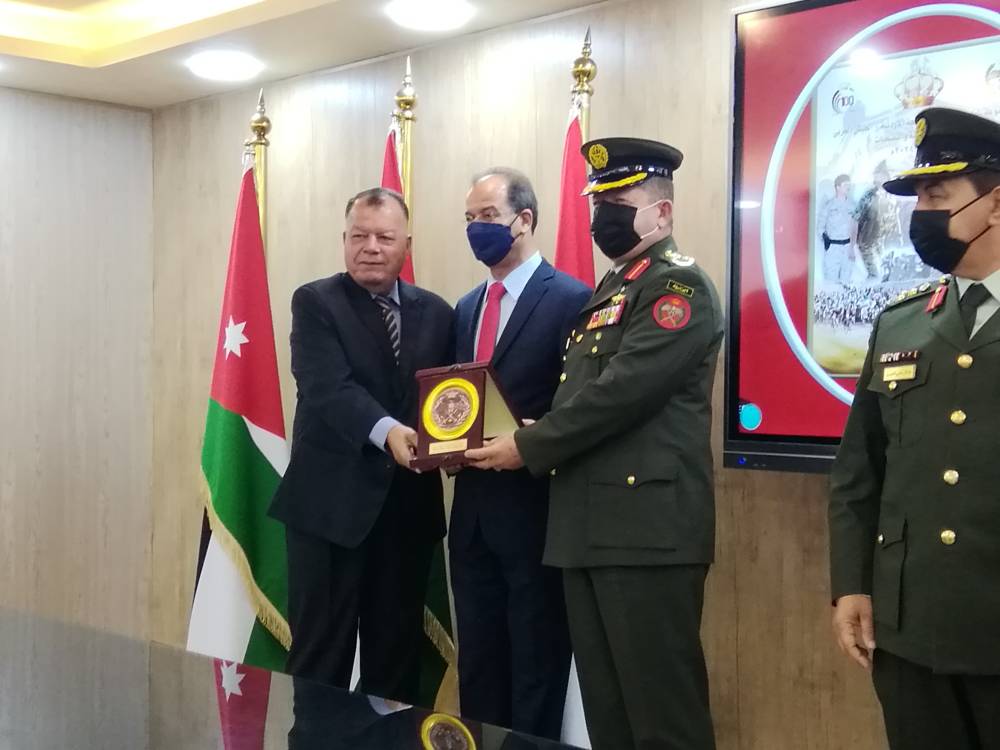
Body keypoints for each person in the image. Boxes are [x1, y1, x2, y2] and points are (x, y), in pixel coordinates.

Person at [466, 138, 724, 750]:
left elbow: (621, 393)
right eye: (598, 202)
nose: (602, 214)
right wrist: (538, 429)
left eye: (618, 202)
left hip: (646, 534)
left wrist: (529, 444)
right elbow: (583, 397)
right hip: (586, 529)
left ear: (661, 212)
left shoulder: (678, 288)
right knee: (610, 714)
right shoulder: (611, 291)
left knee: (662, 717)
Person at [829, 107, 1000, 750]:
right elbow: (859, 471)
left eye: (937, 196)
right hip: (910, 628)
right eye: (917, 197)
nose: (919, 213)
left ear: (996, 203)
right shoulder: (901, 323)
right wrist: (851, 584)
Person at [268, 187, 454, 706]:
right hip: (330, 513)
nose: (370, 247)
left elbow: (452, 396)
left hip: (406, 515)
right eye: (359, 236)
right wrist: (388, 430)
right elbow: (327, 387)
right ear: (344, 240)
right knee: (319, 663)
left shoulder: (439, 313)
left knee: (395, 668)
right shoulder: (315, 302)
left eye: (384, 237)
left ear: (406, 245)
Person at [451, 167, 589, 739]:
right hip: (471, 519)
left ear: (524, 219)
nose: (477, 228)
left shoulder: (573, 300)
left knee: (536, 667)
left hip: (536, 516)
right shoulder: (466, 307)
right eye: (470, 219)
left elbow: (581, 409)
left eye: (489, 216)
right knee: (479, 667)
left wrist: (534, 439)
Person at [854, 160, 897, 282]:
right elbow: (856, 217)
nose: (878, 178)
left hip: (888, 238)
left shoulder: (892, 194)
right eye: (876, 175)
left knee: (888, 268)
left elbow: (895, 216)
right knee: (874, 273)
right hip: (869, 238)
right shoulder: (869, 195)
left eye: (881, 175)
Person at [818, 173, 857, 285]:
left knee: (846, 282)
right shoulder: (829, 206)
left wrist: (852, 247)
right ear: (837, 187)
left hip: (848, 247)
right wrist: (825, 240)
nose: (848, 187)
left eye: (849, 185)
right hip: (833, 248)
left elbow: (855, 226)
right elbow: (820, 227)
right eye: (845, 185)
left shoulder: (853, 205)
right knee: (831, 282)